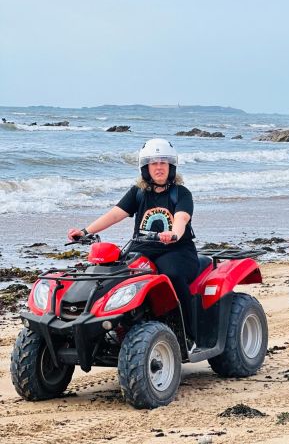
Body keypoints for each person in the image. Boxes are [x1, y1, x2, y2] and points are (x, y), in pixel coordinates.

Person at [67, 138, 199, 343]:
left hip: (176, 251)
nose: (159, 167)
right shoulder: (138, 192)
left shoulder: (181, 193)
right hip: (142, 249)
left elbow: (181, 218)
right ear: (145, 168)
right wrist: (85, 231)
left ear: (171, 167)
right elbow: (114, 215)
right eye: (154, 163)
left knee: (171, 275)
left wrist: (173, 233)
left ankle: (189, 334)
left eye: (163, 163)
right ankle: (115, 327)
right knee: (113, 273)